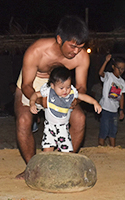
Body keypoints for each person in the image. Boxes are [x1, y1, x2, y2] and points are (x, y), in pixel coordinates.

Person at [14, 15, 89, 179]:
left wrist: (74, 99)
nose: (76, 51)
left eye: (80, 47)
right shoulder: (37, 50)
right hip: (33, 84)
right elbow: (26, 84)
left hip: (61, 87)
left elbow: (81, 86)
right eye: (73, 46)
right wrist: (40, 101)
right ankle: (33, 169)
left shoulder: (81, 56)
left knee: (79, 119)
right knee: (23, 121)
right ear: (60, 39)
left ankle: (63, 164)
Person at [30, 66, 101, 152]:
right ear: (52, 85)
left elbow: (83, 97)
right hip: (50, 128)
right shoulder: (48, 91)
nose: (65, 91)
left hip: (63, 128)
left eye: (68, 87)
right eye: (61, 88)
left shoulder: (71, 93)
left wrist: (95, 102)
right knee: (47, 150)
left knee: (66, 152)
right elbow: (35, 95)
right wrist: (32, 104)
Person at [98, 54, 125, 147]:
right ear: (113, 67)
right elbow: (100, 73)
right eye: (119, 68)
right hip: (105, 108)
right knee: (104, 129)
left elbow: (122, 96)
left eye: (123, 69)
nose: (121, 71)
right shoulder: (108, 76)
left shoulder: (122, 82)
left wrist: (121, 110)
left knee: (113, 130)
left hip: (114, 110)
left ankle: (113, 149)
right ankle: (100, 147)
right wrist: (106, 61)